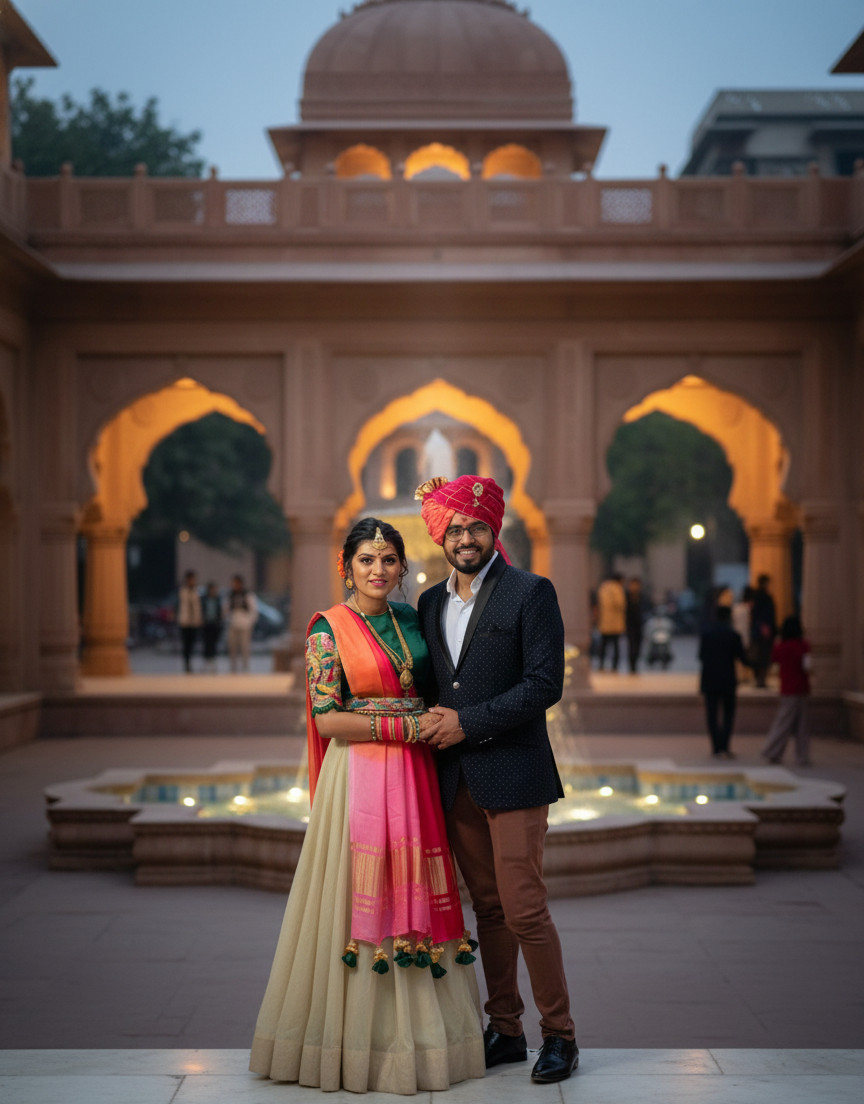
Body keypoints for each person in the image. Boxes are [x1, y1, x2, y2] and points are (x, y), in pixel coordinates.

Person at [249, 518, 485, 1094]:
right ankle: (356, 1042)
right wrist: (406, 727)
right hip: (361, 775)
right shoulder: (327, 631)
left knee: (422, 894)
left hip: (417, 776)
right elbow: (327, 719)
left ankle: (428, 1038)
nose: (378, 571)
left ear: (403, 567)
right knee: (362, 897)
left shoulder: (413, 618)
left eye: (388, 561)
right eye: (366, 561)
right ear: (346, 566)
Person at [415, 474, 578, 1086]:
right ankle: (505, 1028)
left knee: (524, 907)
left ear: (493, 530)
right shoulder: (430, 603)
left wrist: (466, 725)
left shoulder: (531, 592)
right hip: (455, 780)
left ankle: (559, 1035)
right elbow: (431, 685)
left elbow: (545, 685)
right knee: (486, 908)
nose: (465, 538)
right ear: (442, 535)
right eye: (455, 528)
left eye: (476, 527)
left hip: (514, 771)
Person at [762, 615, 812, 767]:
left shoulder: (780, 646)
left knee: (783, 721)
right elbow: (807, 667)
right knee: (802, 725)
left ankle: (772, 751)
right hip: (802, 687)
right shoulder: (803, 645)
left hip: (787, 688)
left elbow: (774, 661)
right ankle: (802, 756)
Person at [699, 604, 747, 758]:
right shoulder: (733, 635)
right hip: (727, 679)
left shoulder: (707, 634)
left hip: (710, 680)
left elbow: (700, 656)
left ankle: (715, 747)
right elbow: (742, 658)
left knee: (712, 714)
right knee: (728, 714)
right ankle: (724, 746)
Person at [223, 574, 258, 672]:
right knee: (232, 647)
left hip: (244, 624)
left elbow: (254, 610)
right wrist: (228, 620)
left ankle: (245, 667)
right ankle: (233, 667)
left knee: (244, 647)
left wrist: (249, 622)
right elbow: (225, 610)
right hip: (233, 624)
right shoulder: (230, 595)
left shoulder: (247, 595)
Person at [596, 572, 626, 671]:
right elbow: (620, 604)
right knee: (616, 646)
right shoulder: (617, 588)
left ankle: (601, 665)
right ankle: (614, 666)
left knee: (603, 645)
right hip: (615, 622)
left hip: (604, 621)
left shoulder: (603, 587)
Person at [750, 574, 777, 688]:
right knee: (763, 656)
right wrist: (764, 626)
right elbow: (763, 614)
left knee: (761, 656)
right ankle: (761, 680)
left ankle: (760, 679)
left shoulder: (758, 597)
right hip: (763, 629)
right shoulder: (763, 597)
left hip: (759, 629)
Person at [176, 570, 202, 674]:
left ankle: (190, 662)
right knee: (185, 644)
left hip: (194, 622)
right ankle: (187, 663)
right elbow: (179, 606)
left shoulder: (196, 592)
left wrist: (199, 619)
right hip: (185, 621)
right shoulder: (182, 591)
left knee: (192, 643)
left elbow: (198, 607)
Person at [625, 576, 645, 674]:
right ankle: (632, 666)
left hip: (639, 625)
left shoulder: (642, 596)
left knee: (638, 646)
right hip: (630, 625)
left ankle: (635, 664)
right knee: (631, 646)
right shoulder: (626, 596)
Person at [201, 582, 223, 673]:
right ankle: (206, 662)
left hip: (215, 624)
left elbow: (220, 612)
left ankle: (213, 661)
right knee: (206, 643)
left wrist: (219, 621)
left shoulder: (218, 599)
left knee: (214, 643)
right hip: (206, 624)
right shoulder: (204, 599)